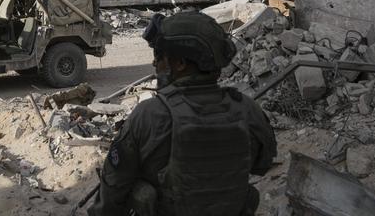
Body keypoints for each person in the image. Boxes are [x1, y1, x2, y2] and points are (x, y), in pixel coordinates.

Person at [89, 11, 277, 216]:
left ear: (179, 63)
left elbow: (113, 188)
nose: (154, 64)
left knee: (140, 192)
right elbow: (262, 165)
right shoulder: (247, 108)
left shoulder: (150, 115)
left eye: (159, 57)